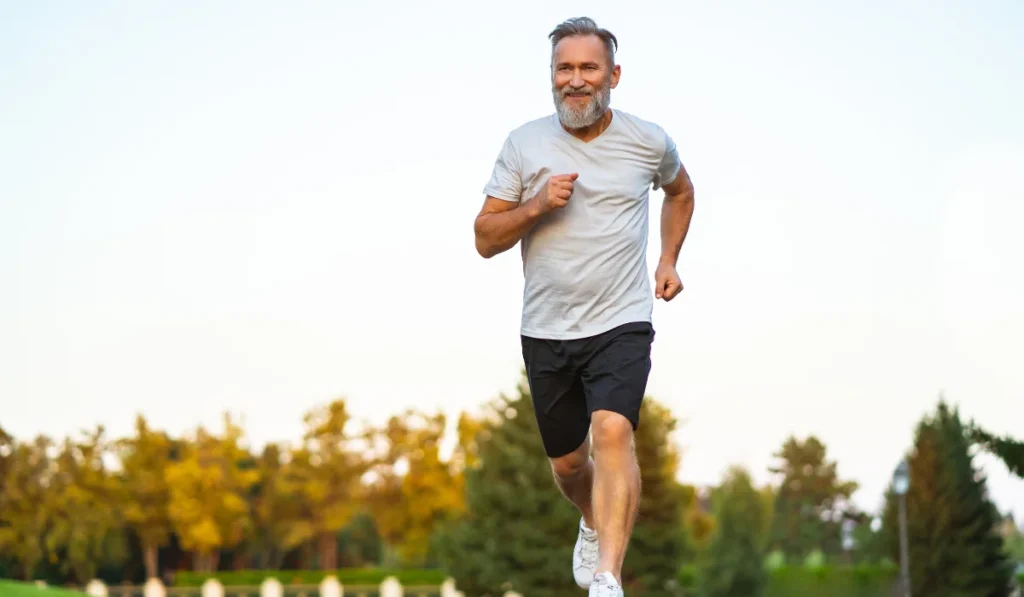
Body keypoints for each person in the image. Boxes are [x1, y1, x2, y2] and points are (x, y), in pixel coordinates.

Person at [473, 16, 695, 597]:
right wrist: (536, 206)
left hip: (622, 320)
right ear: (552, 77)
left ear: (613, 75)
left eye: (588, 68)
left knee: (613, 430)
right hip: (547, 328)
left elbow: (682, 191)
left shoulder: (649, 141)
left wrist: (668, 258)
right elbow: (485, 238)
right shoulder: (524, 145)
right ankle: (591, 518)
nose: (576, 80)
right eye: (564, 69)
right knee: (570, 467)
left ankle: (608, 578)